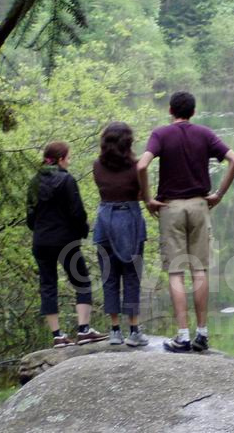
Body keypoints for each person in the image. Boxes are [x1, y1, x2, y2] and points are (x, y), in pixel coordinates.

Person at [137, 91, 234, 353]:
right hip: (199, 205)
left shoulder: (160, 134)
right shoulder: (204, 133)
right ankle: (202, 333)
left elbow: (141, 166)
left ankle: (182, 336)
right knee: (199, 270)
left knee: (175, 272)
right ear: (193, 112)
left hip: (170, 208)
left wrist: (148, 199)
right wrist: (218, 194)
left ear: (170, 110)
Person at [27, 141, 108, 348]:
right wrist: (82, 231)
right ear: (61, 158)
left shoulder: (34, 181)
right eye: (69, 157)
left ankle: (57, 336)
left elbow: (30, 216)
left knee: (47, 285)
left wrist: (39, 230)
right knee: (82, 281)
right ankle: (84, 330)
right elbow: (77, 213)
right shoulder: (67, 180)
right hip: (65, 242)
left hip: (41, 241)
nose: (69, 161)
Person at [92, 122, 149, 347]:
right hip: (131, 221)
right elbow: (142, 194)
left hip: (105, 221)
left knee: (109, 276)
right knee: (132, 275)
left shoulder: (97, 166)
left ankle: (115, 331)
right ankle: (134, 330)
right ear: (128, 143)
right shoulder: (136, 167)